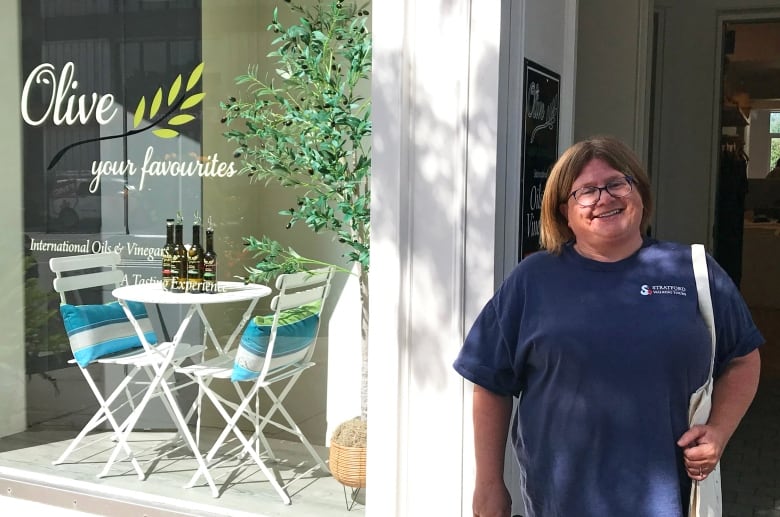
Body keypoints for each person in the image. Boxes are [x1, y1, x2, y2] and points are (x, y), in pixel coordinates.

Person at [453, 136, 763, 517]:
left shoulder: (692, 271)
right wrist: (488, 483)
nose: (604, 197)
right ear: (563, 212)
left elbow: (744, 360)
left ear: (639, 193)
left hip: (667, 501)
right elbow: (489, 380)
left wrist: (718, 431)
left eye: (617, 182)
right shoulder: (533, 279)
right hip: (559, 501)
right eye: (585, 191)